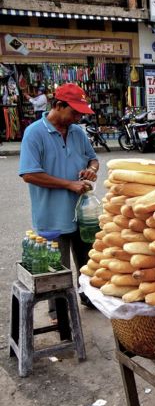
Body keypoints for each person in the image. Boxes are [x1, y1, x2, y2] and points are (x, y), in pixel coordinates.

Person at [18, 83, 99, 312]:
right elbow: (29, 173)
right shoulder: (34, 133)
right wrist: (69, 184)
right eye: (74, 111)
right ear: (58, 105)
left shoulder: (77, 132)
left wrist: (91, 169)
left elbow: (93, 159)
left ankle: (89, 299)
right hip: (52, 217)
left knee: (89, 264)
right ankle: (59, 313)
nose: (78, 116)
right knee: (57, 271)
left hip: (82, 214)